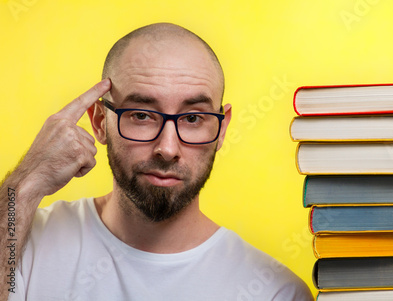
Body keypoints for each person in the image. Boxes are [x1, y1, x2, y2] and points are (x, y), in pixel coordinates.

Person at [0, 23, 313, 301]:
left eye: (192, 118)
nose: (167, 148)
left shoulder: (276, 292)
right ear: (99, 121)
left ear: (221, 128)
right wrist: (24, 185)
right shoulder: (21, 242)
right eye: (141, 115)